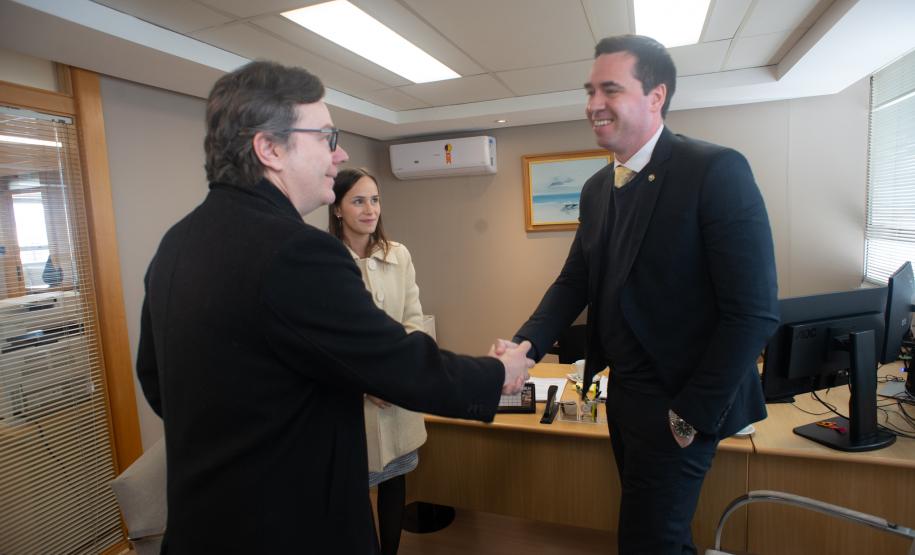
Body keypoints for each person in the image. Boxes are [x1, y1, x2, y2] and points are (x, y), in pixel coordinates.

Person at [135, 60, 533, 554]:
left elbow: (157, 381)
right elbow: (398, 361)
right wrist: (500, 375)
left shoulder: (175, 244)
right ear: (270, 148)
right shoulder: (296, 251)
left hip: (204, 529)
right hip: (291, 529)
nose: (339, 152)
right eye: (326, 136)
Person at [506, 35, 779, 554]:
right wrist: (525, 346)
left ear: (656, 96)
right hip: (623, 395)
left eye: (610, 89)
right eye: (589, 90)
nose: (592, 104)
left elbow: (754, 312)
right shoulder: (596, 189)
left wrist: (690, 415)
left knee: (646, 542)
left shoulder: (714, 171)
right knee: (660, 538)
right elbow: (574, 282)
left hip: (683, 400)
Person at [328, 167, 424, 555]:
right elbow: (326, 341)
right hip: (352, 399)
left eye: (375, 199)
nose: (370, 210)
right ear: (337, 209)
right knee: (355, 490)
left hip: (396, 391)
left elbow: (414, 321)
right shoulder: (326, 260)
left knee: (395, 481)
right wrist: (367, 383)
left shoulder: (397, 255)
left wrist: (395, 376)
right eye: (358, 200)